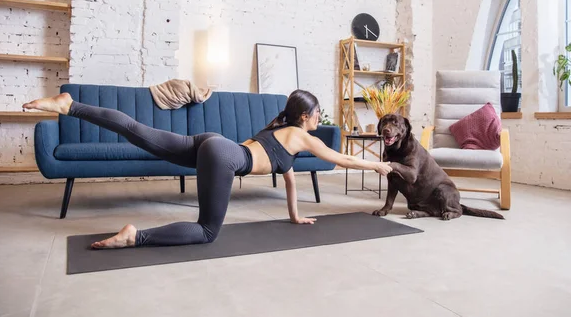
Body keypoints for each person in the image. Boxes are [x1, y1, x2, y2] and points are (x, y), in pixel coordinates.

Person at [22, 89, 392, 249]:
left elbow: (290, 181)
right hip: (224, 156)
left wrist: (295, 217)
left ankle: (70, 105)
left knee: (137, 131)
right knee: (206, 231)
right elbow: (340, 158)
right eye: (317, 115)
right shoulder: (300, 135)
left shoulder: (281, 133)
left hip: (210, 143)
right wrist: (378, 165)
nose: (319, 120)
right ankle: (136, 237)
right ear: (305, 116)